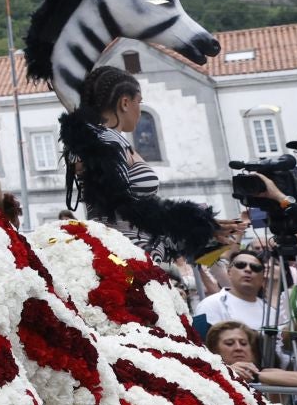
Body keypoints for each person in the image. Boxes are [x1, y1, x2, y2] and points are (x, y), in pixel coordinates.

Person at [61, 65, 244, 260]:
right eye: (139, 102)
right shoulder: (107, 140)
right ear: (125, 102)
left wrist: (199, 224)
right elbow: (125, 206)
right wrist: (192, 223)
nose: (139, 111)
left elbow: (139, 208)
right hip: (126, 255)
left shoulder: (105, 139)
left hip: (130, 249)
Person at [203, 320, 297, 391]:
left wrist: (254, 376)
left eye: (244, 343)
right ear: (214, 350)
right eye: (229, 343)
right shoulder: (207, 375)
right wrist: (228, 372)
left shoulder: (265, 372)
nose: (238, 348)